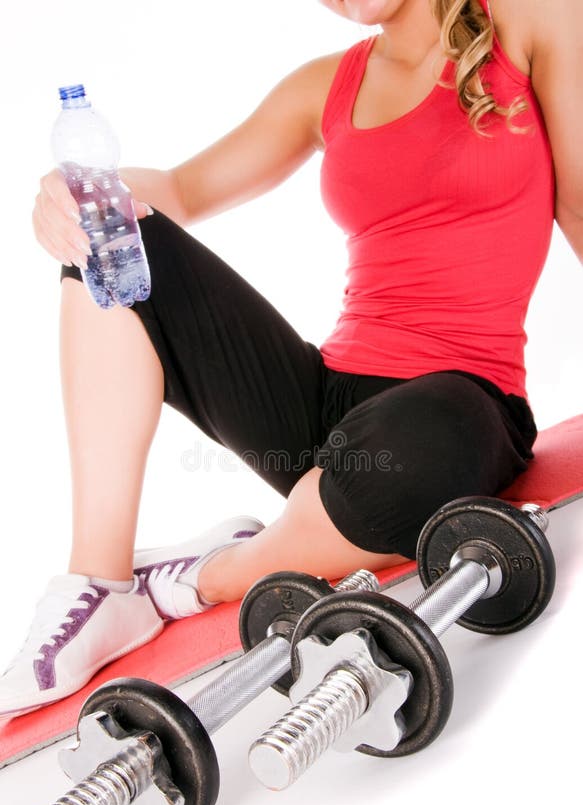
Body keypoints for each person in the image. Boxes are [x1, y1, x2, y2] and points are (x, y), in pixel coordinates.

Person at [1, 0, 580, 718]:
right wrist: (74, 197)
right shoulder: (322, 86)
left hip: (456, 404)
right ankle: (101, 583)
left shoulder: (534, 17)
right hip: (320, 410)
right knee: (111, 239)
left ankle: (201, 577)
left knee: (422, 448)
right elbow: (183, 191)